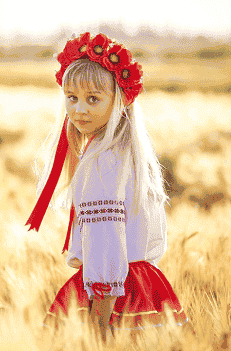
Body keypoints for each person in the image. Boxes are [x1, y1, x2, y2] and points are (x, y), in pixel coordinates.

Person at [25, 32, 194, 344]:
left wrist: (99, 327)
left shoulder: (102, 164)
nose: (78, 110)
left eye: (93, 99)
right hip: (147, 288)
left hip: (110, 298)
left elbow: (106, 243)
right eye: (71, 98)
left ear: (119, 100)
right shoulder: (127, 154)